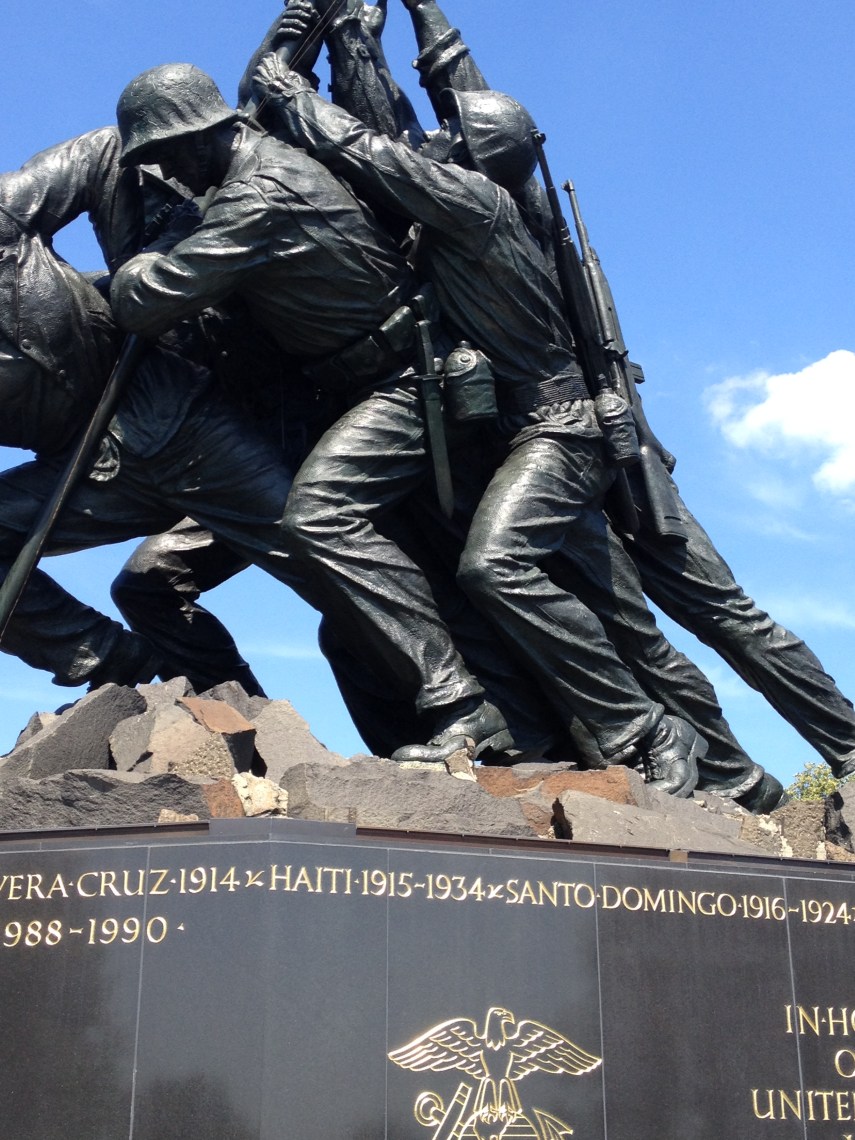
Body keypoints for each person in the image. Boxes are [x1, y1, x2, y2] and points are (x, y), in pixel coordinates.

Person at [249, 27, 710, 797]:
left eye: (450, 131)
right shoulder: (455, 213)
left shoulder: (474, 202)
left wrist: (294, 95)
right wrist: (353, 41)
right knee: (466, 580)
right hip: (516, 428)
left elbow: (373, 150)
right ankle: (531, 730)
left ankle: (644, 728)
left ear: (469, 152)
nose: (435, 135)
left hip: (559, 429)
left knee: (495, 566)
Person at [110, 62, 515, 765]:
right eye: (153, 160)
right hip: (304, 413)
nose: (168, 170)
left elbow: (146, 299)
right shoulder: (228, 195)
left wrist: (143, 257)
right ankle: (248, 745)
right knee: (150, 581)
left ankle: (466, 708)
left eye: (171, 151)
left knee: (320, 515)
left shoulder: (259, 194)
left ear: (212, 134)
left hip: (400, 384)